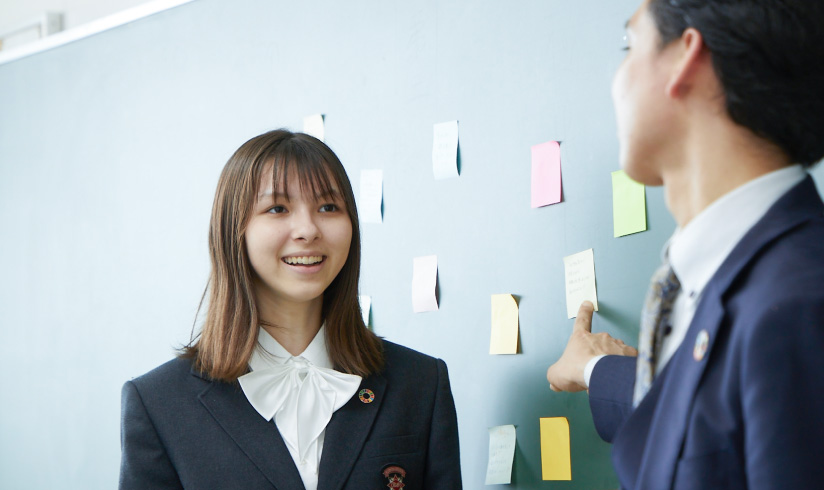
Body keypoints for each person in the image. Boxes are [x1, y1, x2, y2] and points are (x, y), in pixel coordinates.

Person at [546, 0, 824, 488]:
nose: (616, 80)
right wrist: (593, 366)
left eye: (629, 44)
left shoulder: (800, 305)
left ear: (685, 58)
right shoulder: (710, 289)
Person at [119, 130, 462, 489]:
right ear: (234, 230)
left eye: (328, 207)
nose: (308, 229)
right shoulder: (158, 404)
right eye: (277, 209)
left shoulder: (421, 383)